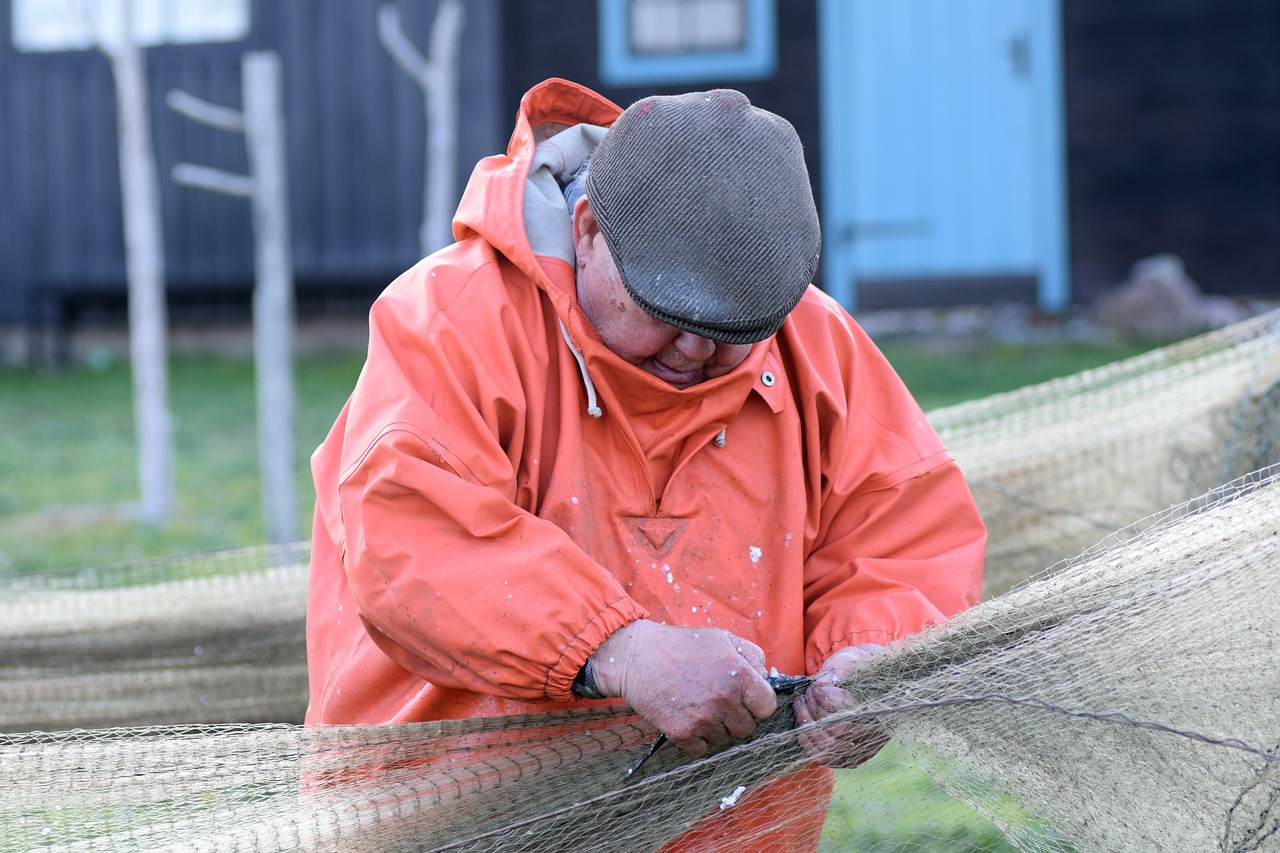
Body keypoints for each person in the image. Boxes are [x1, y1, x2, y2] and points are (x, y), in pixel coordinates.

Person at [305, 78, 986, 850]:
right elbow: (411, 542)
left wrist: (870, 657)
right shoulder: (450, 321)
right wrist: (618, 648)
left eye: (734, 330)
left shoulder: (818, 343)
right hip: (457, 823)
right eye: (667, 314)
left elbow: (904, 529)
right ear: (588, 230)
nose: (695, 351)